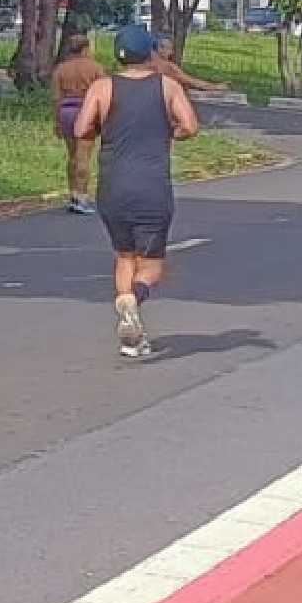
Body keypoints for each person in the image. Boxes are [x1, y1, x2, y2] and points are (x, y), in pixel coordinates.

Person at [73, 26, 200, 359]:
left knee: (125, 256)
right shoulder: (167, 86)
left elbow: (81, 128)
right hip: (152, 186)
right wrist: (168, 132)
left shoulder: (102, 87)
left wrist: (107, 130)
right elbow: (190, 126)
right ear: (150, 53)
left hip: (112, 186)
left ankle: (132, 334)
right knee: (153, 266)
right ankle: (134, 299)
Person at [53, 34, 108, 216]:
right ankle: (82, 197)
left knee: (72, 156)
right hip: (86, 111)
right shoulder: (95, 68)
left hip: (67, 111)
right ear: (86, 48)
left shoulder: (61, 69)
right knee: (83, 155)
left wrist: (57, 121)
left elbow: (56, 97)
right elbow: (103, 93)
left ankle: (73, 193)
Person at [153, 36, 229, 95]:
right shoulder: (167, 66)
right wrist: (214, 87)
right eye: (167, 48)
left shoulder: (150, 63)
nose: (170, 52)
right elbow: (190, 81)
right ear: (159, 48)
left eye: (169, 48)